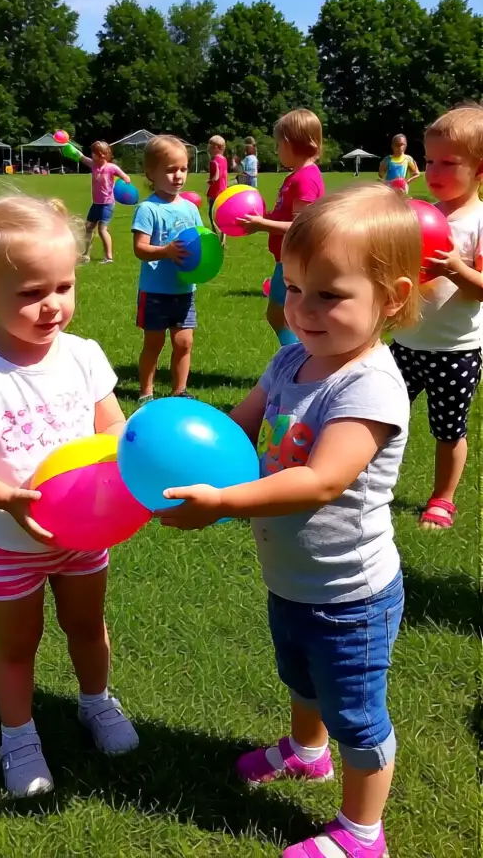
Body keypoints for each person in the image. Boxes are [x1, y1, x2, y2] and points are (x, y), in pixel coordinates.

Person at [158, 182, 421, 858]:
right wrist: (170, 444)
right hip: (293, 579)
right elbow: (237, 428)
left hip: (350, 595)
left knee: (359, 719)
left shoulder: (369, 386)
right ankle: (308, 751)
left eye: (330, 295)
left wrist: (220, 505)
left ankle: (364, 835)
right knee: (301, 679)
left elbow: (320, 480)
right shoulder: (289, 360)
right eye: (296, 288)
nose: (303, 309)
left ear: (390, 299)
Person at [0, 193, 139, 798]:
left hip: (84, 535)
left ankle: (96, 702)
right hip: (7, 541)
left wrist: (132, 471)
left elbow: (112, 431)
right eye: (30, 293)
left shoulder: (84, 357)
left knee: (87, 625)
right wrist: (6, 497)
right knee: (17, 645)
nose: (53, 307)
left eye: (64, 287)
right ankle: (18, 735)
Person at [390, 104, 483, 529]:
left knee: (448, 430)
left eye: (448, 162)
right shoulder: (423, 214)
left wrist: (456, 269)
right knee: (379, 415)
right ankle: (368, 481)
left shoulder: (478, 222)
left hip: (455, 351)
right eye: (429, 161)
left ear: (480, 170)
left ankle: (442, 498)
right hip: (407, 344)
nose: (433, 170)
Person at [238, 108, 325, 346]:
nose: (276, 150)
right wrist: (263, 216)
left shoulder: (305, 178)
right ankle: (298, 356)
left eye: (278, 144)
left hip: (296, 262)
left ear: (291, 143)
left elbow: (301, 225)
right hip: (286, 260)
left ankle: (297, 357)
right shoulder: (295, 176)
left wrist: (261, 224)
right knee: (279, 315)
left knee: (284, 316)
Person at [132, 135, 202, 403]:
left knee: (184, 343)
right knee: (154, 343)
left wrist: (209, 253)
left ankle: (179, 391)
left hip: (184, 289)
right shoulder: (148, 209)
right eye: (170, 170)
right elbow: (140, 248)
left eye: (183, 169)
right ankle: (146, 392)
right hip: (155, 290)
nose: (178, 176)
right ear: (151, 173)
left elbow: (198, 241)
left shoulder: (190, 208)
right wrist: (166, 251)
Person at [79, 141, 131, 265]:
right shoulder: (93, 165)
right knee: (89, 228)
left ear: (101, 154)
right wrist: (67, 145)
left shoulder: (112, 167)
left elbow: (127, 178)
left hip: (107, 204)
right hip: (96, 203)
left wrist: (122, 184)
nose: (91, 155)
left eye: (93, 153)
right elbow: (81, 157)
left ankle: (109, 257)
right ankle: (86, 254)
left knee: (102, 230)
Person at [206, 135, 228, 245]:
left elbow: (216, 176)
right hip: (224, 190)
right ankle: (223, 237)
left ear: (216, 147)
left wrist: (210, 181)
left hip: (215, 191)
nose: (208, 149)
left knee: (211, 214)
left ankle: (216, 234)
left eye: (209, 147)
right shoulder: (224, 160)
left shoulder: (214, 161)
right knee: (221, 214)